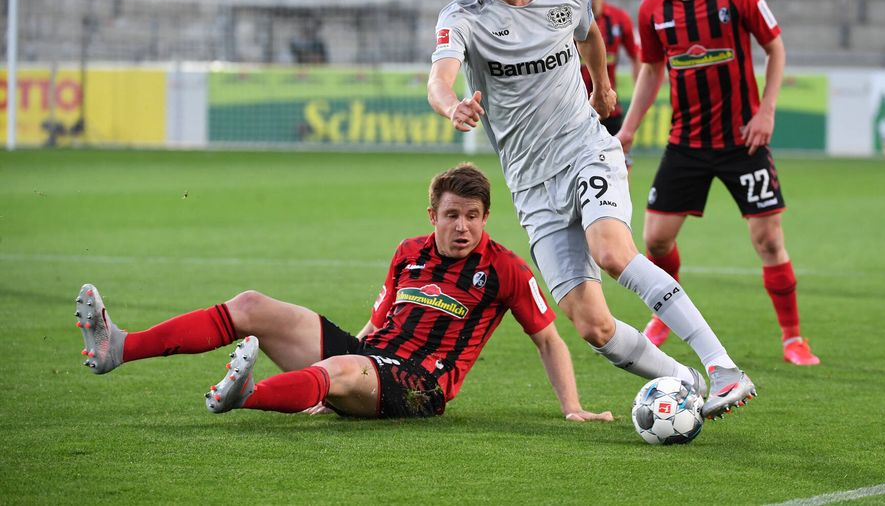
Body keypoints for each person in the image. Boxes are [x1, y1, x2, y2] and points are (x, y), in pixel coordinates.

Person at [426, 0, 755, 420]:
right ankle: (687, 382)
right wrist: (452, 106)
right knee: (593, 326)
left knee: (611, 250)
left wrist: (602, 87)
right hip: (531, 184)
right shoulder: (463, 16)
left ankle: (722, 367)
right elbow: (439, 78)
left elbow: (591, 34)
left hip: (585, 149)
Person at [76, 163, 613, 422]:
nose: (463, 227)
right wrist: (334, 373)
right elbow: (375, 324)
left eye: (473, 217)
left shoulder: (506, 269)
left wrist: (573, 407)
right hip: (374, 357)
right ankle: (120, 348)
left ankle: (253, 395)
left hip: (421, 386)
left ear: (485, 218)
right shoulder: (408, 252)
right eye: (452, 216)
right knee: (252, 305)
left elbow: (549, 340)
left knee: (341, 372)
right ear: (433, 216)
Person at [616, 0, 820, 366]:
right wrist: (627, 130)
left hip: (742, 142)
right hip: (686, 142)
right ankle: (669, 313)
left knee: (768, 240)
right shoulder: (653, 9)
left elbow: (776, 48)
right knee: (657, 241)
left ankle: (793, 338)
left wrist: (766, 112)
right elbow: (651, 70)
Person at [575, 0, 639, 139]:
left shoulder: (620, 19)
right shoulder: (567, 21)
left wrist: (638, 94)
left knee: (617, 165)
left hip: (609, 109)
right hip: (574, 112)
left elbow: (637, 56)